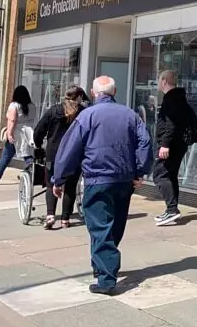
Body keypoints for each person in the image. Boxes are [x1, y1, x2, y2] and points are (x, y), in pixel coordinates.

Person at [52, 76, 152, 295]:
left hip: (98, 179)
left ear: (93, 92)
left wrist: (59, 178)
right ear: (114, 92)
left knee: (100, 227)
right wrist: (140, 171)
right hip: (124, 180)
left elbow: (69, 149)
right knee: (115, 225)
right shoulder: (130, 115)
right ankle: (101, 265)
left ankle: (106, 279)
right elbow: (144, 142)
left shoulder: (86, 116)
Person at [33, 86, 87, 230]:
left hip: (53, 153)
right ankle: (65, 219)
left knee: (51, 183)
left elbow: (38, 131)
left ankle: (50, 215)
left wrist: (38, 145)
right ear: (79, 97)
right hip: (74, 154)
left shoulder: (53, 111)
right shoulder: (83, 112)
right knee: (70, 185)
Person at [152, 70, 197, 226]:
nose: (158, 83)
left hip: (171, 145)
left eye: (159, 80)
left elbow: (172, 124)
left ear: (164, 81)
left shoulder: (171, 99)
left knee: (160, 175)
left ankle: (172, 210)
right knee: (170, 176)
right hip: (178, 144)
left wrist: (165, 144)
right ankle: (171, 209)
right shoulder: (179, 98)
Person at [0, 85, 35, 184]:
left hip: (16, 133)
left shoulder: (14, 105)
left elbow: (12, 120)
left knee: (6, 156)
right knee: (27, 154)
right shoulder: (32, 105)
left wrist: (9, 134)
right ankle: (32, 174)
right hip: (29, 133)